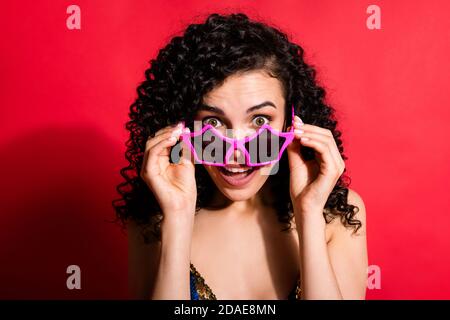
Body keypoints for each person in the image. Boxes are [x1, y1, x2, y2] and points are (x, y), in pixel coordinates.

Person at [113, 12, 368, 300]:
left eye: (260, 121)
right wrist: (177, 216)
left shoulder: (338, 214)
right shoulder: (154, 220)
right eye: (213, 122)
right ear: (182, 126)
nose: (236, 152)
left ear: (290, 122)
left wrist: (309, 213)